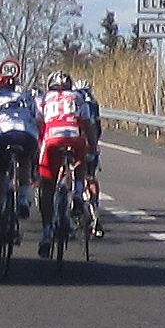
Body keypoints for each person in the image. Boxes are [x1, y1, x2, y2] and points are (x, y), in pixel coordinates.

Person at [0, 72, 41, 261]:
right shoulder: (26, 96)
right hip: (28, 135)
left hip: (3, 136)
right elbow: (38, 120)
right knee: (25, 159)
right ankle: (23, 198)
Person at [37, 70, 98, 257]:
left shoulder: (43, 99)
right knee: (81, 160)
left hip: (52, 140)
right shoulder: (78, 97)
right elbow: (88, 125)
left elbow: (39, 126)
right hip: (74, 137)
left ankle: (47, 232)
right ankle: (78, 193)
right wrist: (92, 148)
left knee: (47, 186)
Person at [73, 78, 104, 238]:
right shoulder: (93, 103)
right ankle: (95, 211)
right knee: (90, 177)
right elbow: (97, 128)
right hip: (90, 144)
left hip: (73, 142)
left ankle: (68, 209)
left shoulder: (73, 101)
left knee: (67, 173)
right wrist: (94, 145)